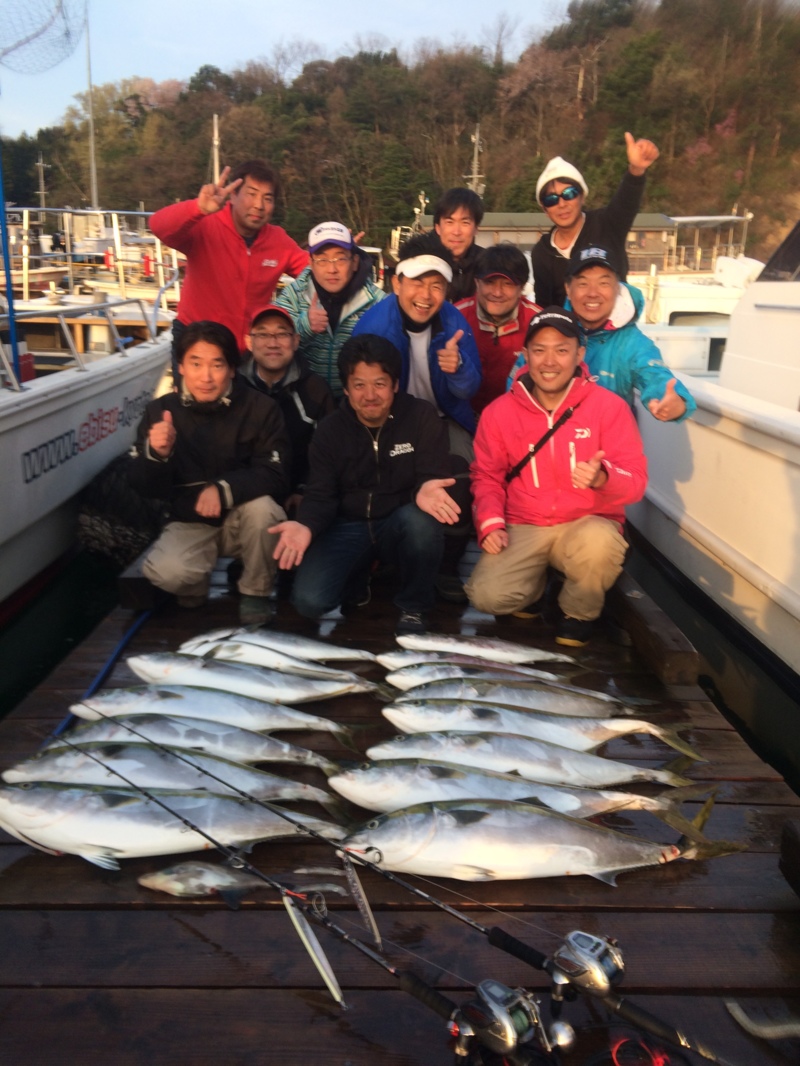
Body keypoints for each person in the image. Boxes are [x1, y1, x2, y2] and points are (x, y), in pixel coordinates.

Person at [466, 306, 647, 647]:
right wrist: (490, 522)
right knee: (486, 597)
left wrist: (603, 477)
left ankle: (577, 612)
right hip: (524, 523)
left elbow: (636, 481)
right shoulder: (498, 412)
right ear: (525, 355)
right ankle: (534, 588)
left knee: (599, 546)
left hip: (586, 522)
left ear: (579, 354)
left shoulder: (609, 407)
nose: (550, 361)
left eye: (561, 350)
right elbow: (487, 476)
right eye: (539, 350)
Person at [268, 334, 461, 636]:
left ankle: (414, 605)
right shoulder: (330, 431)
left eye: (380, 384)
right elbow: (321, 494)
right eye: (359, 385)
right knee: (309, 602)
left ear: (395, 385)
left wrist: (424, 487)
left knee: (422, 523)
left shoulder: (421, 417)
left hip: (398, 521)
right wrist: (306, 525)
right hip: (348, 524)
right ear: (346, 388)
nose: (370, 395)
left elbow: (433, 475)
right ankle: (358, 577)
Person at [129, 320, 290, 626]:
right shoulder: (159, 411)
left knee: (266, 512)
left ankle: (256, 592)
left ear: (232, 369)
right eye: (196, 363)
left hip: (242, 517)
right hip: (188, 520)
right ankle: (194, 582)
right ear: (181, 367)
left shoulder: (261, 408)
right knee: (169, 575)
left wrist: (222, 488)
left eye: (217, 365)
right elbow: (142, 485)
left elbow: (276, 472)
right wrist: (156, 455)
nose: (206, 376)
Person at [353, 232, 481, 601]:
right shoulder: (374, 327)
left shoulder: (455, 322)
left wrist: (457, 369)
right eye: (417, 283)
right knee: (387, 473)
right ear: (397, 282)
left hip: (445, 417)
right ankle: (391, 556)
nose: (426, 296)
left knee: (462, 475)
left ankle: (447, 564)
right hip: (391, 419)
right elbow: (363, 395)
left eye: (437, 285)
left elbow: (469, 389)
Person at [149, 160, 309, 360]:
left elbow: (312, 269)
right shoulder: (206, 227)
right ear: (233, 195)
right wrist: (197, 208)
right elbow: (158, 225)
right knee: (187, 392)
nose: (259, 205)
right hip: (197, 342)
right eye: (251, 194)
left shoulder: (278, 240)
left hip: (248, 349)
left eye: (267, 198)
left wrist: (336, 254)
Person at [564, 246, 696, 421]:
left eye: (603, 283)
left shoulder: (631, 343)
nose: (593, 293)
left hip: (610, 444)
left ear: (618, 288)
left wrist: (675, 401)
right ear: (568, 289)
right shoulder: (552, 330)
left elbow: (653, 374)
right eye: (582, 283)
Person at [531, 132, 660, 308]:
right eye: (551, 199)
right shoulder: (542, 252)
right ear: (545, 210)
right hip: (568, 334)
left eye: (569, 194)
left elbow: (627, 201)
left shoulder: (607, 223)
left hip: (615, 331)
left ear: (582, 197)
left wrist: (636, 170)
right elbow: (545, 306)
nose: (561, 204)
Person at [240, 304, 336, 511]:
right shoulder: (234, 387)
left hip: (299, 500)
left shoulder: (316, 390)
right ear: (249, 342)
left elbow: (329, 452)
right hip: (241, 498)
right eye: (263, 334)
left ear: (295, 341)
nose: (272, 343)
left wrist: (304, 489)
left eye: (282, 334)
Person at [274, 221, 385, 396]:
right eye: (322, 260)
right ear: (310, 262)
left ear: (355, 262)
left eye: (340, 259)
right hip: (303, 399)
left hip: (358, 403)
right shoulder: (294, 295)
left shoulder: (378, 302)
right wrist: (305, 326)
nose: (332, 269)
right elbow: (273, 344)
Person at [456, 243, 541, 415]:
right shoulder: (455, 317)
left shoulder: (539, 323)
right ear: (476, 282)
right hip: (463, 420)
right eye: (489, 282)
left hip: (517, 420)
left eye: (507, 284)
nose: (497, 292)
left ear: (522, 287)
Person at [433, 187, 485, 302]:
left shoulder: (487, 264)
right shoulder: (424, 264)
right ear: (438, 228)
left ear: (476, 228)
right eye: (449, 222)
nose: (456, 232)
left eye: (465, 222)